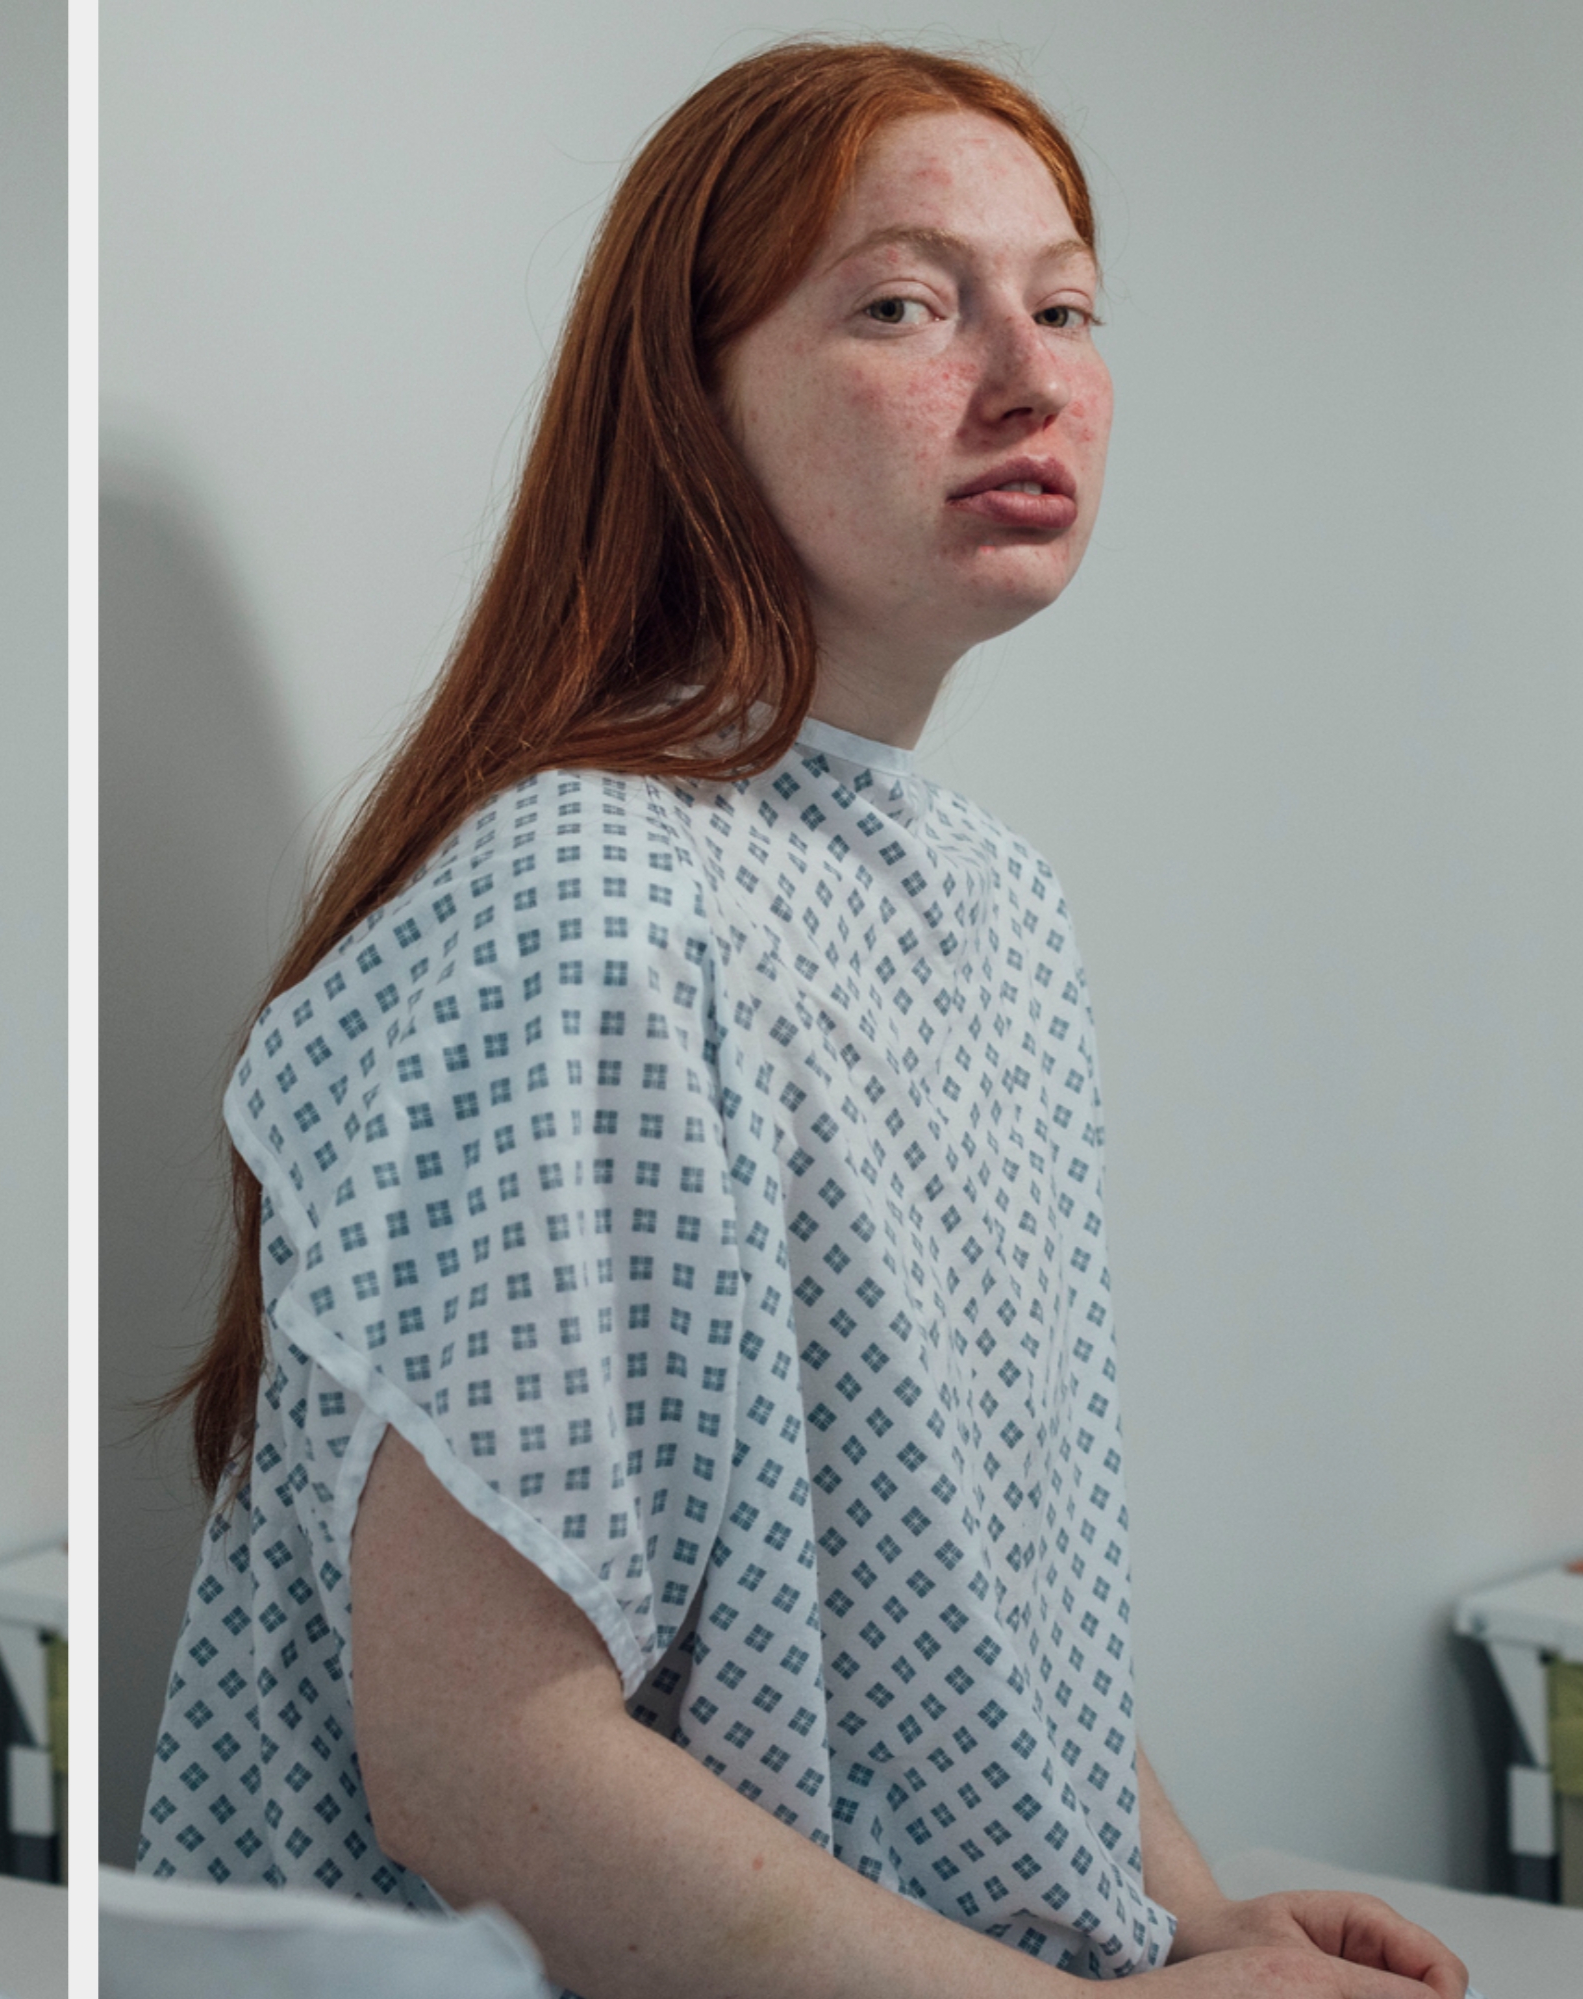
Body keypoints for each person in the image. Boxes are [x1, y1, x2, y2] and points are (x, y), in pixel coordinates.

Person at [141, 40, 1465, 1999]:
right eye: (908, 303)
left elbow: (978, 1592)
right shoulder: (590, 909)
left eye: (1067, 305)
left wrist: (1187, 1912)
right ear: (688, 401)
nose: (1027, 377)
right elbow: (480, 1768)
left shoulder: (990, 907)